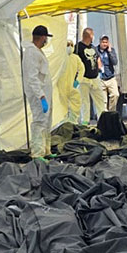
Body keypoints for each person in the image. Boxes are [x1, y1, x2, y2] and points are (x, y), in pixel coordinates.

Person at [22, 24, 53, 157]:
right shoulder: (31, 53)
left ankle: (46, 150)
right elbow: (32, 77)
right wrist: (41, 96)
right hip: (39, 95)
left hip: (44, 93)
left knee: (46, 122)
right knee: (39, 122)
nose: (46, 41)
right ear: (42, 37)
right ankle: (37, 153)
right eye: (46, 38)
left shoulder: (36, 51)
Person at [75, 27, 105, 124]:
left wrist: (99, 66)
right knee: (85, 102)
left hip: (95, 77)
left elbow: (97, 58)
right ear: (90, 36)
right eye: (93, 35)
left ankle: (103, 120)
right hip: (84, 79)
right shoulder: (78, 47)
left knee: (100, 100)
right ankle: (85, 122)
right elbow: (75, 62)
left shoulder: (93, 47)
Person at [60, 39, 84, 124]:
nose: (69, 47)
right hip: (61, 86)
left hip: (72, 86)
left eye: (71, 45)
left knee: (75, 105)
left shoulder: (75, 58)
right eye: (67, 45)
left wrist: (78, 80)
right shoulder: (60, 57)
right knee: (62, 108)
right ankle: (64, 125)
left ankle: (74, 124)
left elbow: (82, 69)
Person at [97, 34, 119, 111]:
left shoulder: (111, 50)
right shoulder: (96, 51)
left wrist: (110, 52)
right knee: (103, 100)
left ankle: (111, 112)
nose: (105, 44)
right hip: (101, 78)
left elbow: (115, 62)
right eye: (103, 42)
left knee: (115, 94)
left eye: (106, 42)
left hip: (111, 77)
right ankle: (105, 116)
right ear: (100, 42)